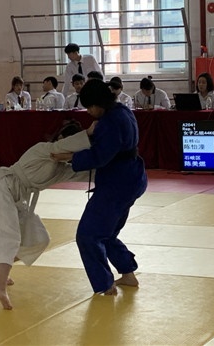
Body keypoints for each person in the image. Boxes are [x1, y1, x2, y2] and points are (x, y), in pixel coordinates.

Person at [0, 120, 94, 310]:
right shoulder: (43, 149)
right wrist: (89, 132)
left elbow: (83, 173)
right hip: (0, 187)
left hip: (18, 197)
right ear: (62, 139)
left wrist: (115, 168)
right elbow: (59, 148)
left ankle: (2, 267)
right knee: (7, 237)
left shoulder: (60, 168)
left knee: (38, 239)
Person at [51, 79, 147, 296]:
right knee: (107, 232)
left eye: (89, 107)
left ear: (97, 103)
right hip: (132, 178)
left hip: (116, 185)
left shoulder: (110, 122)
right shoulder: (123, 111)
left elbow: (100, 156)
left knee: (88, 235)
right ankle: (128, 273)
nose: (88, 112)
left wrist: (71, 156)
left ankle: (105, 284)